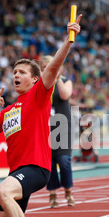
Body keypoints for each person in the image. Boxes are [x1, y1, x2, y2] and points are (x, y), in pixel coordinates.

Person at [0, 14, 82, 217]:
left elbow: (53, 67)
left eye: (22, 71)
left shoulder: (38, 95)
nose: (16, 74)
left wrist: (68, 40)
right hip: (18, 169)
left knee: (2, 192)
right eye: (14, 71)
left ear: (34, 78)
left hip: (36, 167)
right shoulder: (8, 109)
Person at [40, 55, 75, 208]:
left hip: (63, 126)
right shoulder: (40, 84)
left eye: (51, 66)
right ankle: (53, 194)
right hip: (45, 128)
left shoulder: (66, 81)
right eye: (44, 67)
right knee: (50, 163)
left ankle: (68, 191)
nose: (48, 69)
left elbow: (65, 95)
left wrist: (58, 78)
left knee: (64, 161)